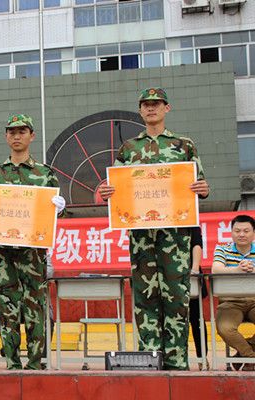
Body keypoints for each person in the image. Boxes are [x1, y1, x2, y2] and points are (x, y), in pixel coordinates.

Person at [99, 88, 210, 370]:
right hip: (141, 237)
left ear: (166, 108)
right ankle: (149, 360)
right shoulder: (129, 149)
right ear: (140, 110)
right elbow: (115, 186)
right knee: (145, 297)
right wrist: (108, 192)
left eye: (156, 104)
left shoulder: (184, 145)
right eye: (146, 105)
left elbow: (200, 184)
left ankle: (176, 361)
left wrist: (203, 188)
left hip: (175, 236)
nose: (151, 108)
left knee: (176, 296)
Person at [0, 114, 65, 370]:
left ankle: (35, 363)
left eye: (22, 132)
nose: (16, 136)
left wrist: (59, 208)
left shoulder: (45, 174)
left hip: (33, 254)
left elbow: (56, 215)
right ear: (6, 136)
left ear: (31, 136)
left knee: (35, 308)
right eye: (12, 132)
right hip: (4, 255)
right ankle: (12, 363)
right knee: (7, 309)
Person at [211, 214, 255, 372]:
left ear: (254, 233)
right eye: (237, 231)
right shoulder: (222, 248)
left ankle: (243, 354)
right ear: (231, 232)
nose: (241, 234)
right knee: (225, 328)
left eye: (246, 231)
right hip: (230, 302)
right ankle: (250, 357)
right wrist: (237, 269)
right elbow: (216, 269)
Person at [188, 226, 209, 371]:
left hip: (191, 272)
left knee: (196, 319)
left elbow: (197, 243)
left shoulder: (190, 220)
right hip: (166, 274)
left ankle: (202, 357)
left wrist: (194, 270)